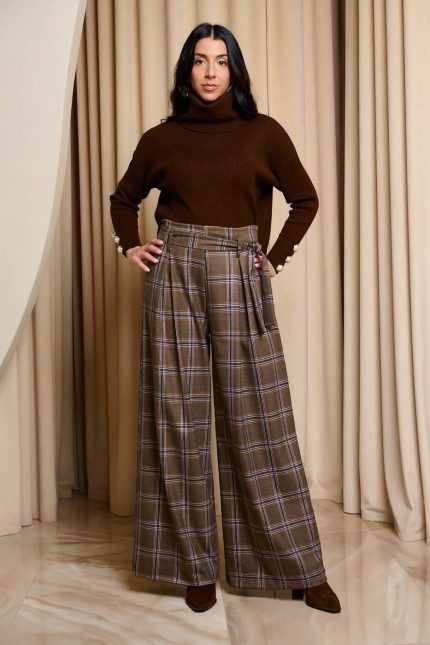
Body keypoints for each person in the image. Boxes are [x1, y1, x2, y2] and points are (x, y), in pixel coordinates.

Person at [110, 22, 341, 615]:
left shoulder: (264, 132)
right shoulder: (161, 138)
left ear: (234, 69)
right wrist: (129, 245)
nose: (211, 72)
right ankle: (193, 568)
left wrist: (274, 258)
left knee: (259, 418)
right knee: (178, 420)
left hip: (240, 268)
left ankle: (295, 565)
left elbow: (306, 199)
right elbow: (123, 199)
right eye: (200, 60)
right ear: (186, 70)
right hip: (175, 270)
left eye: (221, 60)